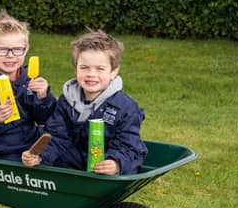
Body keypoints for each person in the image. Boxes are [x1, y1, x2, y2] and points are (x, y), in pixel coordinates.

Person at [22, 30, 147, 175]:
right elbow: (57, 137)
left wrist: (116, 163)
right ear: (76, 69)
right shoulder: (66, 101)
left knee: (130, 156)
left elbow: (129, 146)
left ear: (113, 71)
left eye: (100, 69)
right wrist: (40, 156)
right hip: (72, 170)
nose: (91, 74)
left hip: (104, 171)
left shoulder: (126, 108)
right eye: (84, 67)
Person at [0, 10, 57, 160]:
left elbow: (45, 118)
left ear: (26, 50)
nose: (10, 55)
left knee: (65, 149)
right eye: (2, 50)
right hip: (3, 151)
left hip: (34, 144)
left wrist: (43, 97)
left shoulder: (30, 80)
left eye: (17, 49)